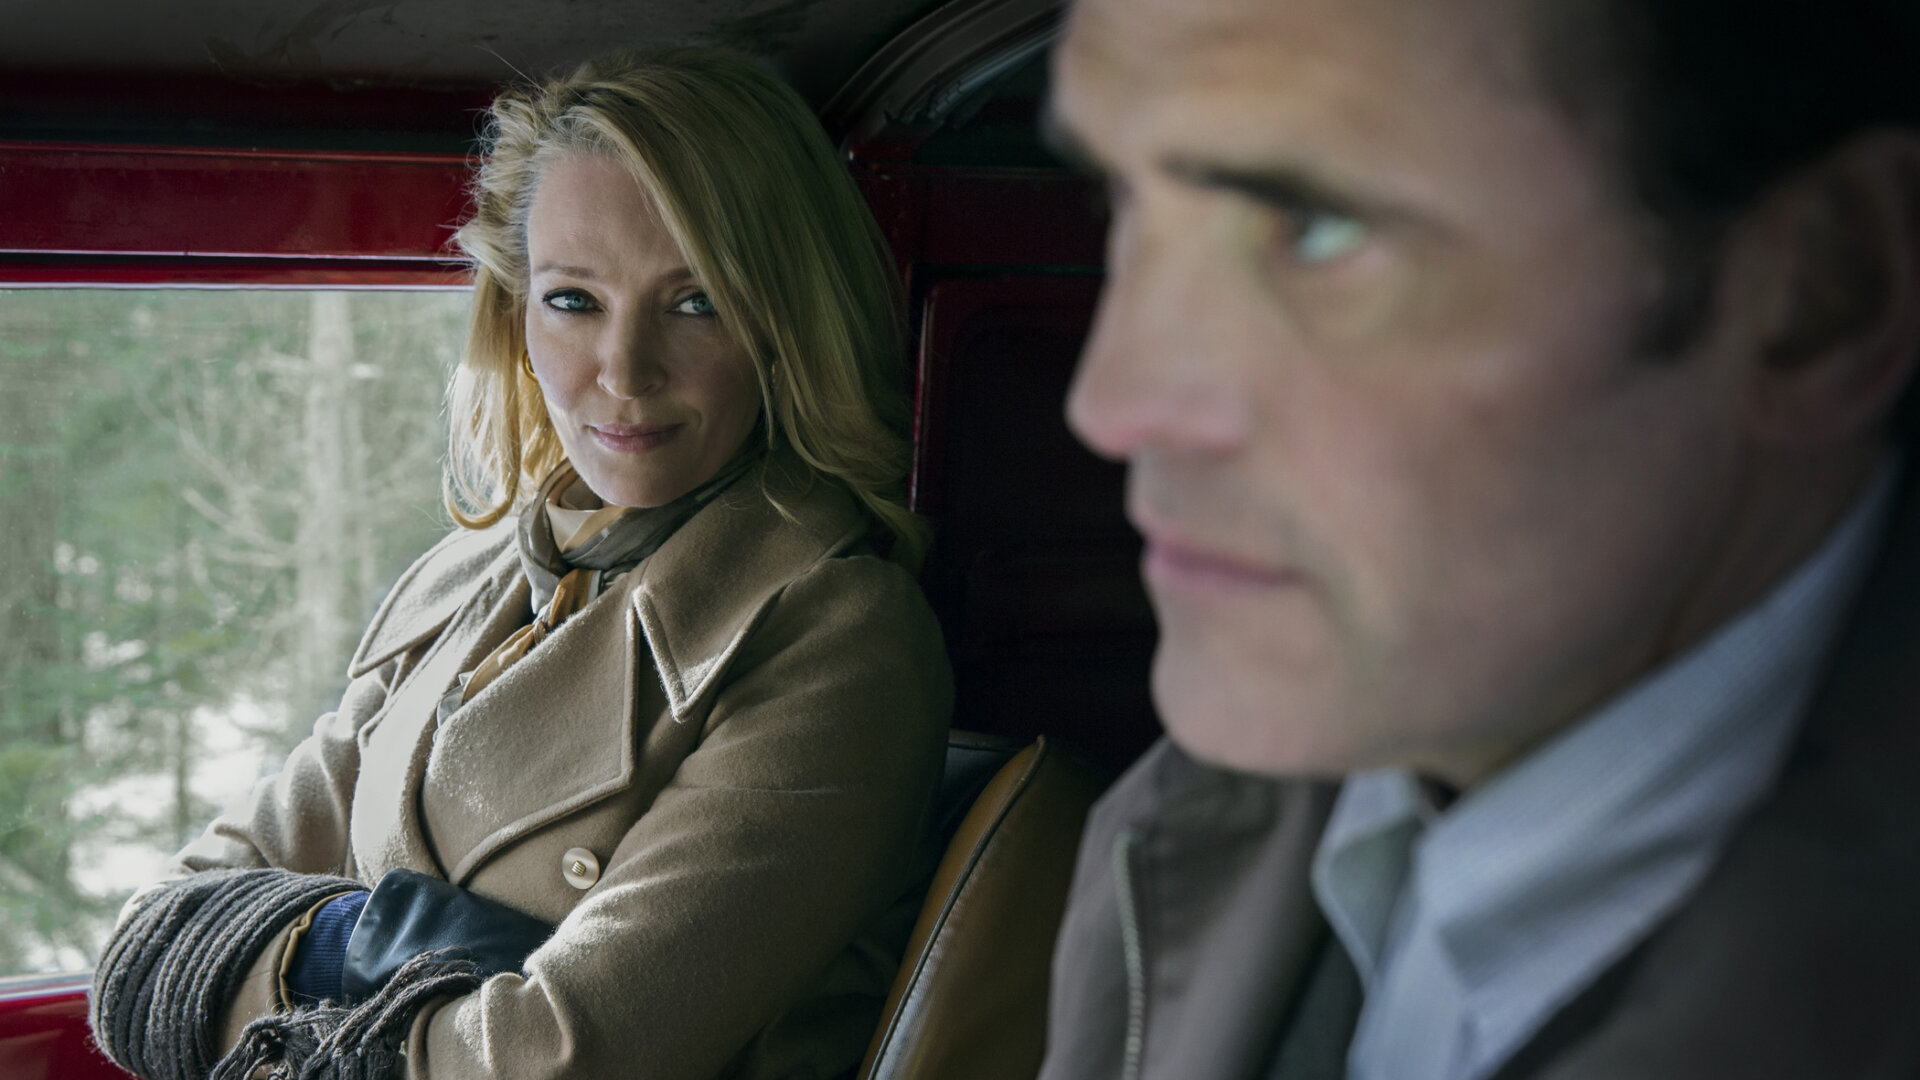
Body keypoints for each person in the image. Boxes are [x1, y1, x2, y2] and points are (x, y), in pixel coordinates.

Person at [1037, 0, 1920, 1077]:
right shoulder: (1196, 829)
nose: (1110, 403)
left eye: (1317, 230)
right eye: (1120, 199)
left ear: (1820, 293)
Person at [87, 47, 952, 1080]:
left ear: (785, 324)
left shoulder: (839, 636)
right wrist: (372, 940)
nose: (624, 373)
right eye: (574, 300)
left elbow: (557, 1061)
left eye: (698, 303)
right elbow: (147, 951)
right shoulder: (460, 584)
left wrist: (291, 958)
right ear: (514, 311)